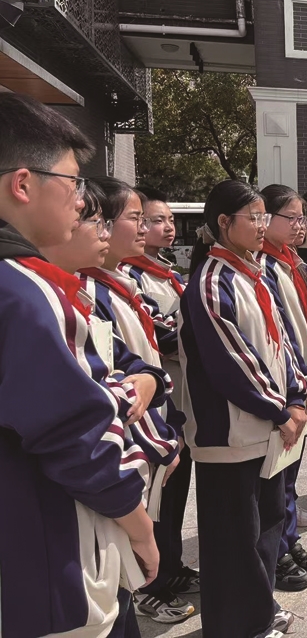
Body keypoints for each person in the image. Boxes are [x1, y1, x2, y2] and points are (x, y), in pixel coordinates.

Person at [0, 93, 157, 638]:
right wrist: (139, 527)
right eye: (72, 182)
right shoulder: (23, 291)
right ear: (23, 184)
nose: (81, 200)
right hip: (47, 552)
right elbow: (75, 435)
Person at [180, 180, 307, 638]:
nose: (261, 225)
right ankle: (238, 626)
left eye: (262, 216)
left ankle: (257, 612)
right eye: (253, 218)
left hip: (266, 427)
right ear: (223, 222)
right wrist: (282, 410)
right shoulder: (212, 282)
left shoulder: (255, 274)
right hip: (229, 434)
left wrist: (296, 397)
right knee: (234, 539)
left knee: (265, 528)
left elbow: (282, 345)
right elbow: (232, 363)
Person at [77, 178, 188, 624]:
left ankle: (166, 574)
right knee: (131, 539)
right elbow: (115, 375)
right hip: (130, 437)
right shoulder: (90, 291)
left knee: (165, 513)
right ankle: (151, 590)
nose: (145, 228)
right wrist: (158, 436)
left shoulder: (122, 281)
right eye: (137, 218)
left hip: (156, 421)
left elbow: (144, 363)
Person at [119, 189, 201, 619]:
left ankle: (171, 566)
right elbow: (166, 334)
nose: (166, 227)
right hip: (148, 408)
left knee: (174, 492)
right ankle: (149, 587)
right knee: (153, 497)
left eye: (168, 219)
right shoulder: (129, 276)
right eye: (153, 219)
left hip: (176, 400)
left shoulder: (165, 271)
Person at [258, 184, 307, 593]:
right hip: (285, 391)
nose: (300, 225)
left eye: (303, 217)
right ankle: (276, 550)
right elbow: (277, 337)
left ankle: (288, 539)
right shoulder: (261, 267)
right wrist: (295, 392)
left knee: (290, 475)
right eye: (292, 217)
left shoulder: (295, 263)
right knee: (274, 479)